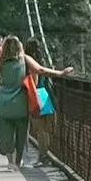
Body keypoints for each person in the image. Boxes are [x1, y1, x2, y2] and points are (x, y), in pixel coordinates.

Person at [0, 35, 73, 171]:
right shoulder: (24, 59)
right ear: (19, 46)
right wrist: (61, 73)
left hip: (3, 103)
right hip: (20, 102)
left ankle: (10, 161)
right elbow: (41, 70)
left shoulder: (1, 61)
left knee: (5, 131)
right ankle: (18, 162)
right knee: (21, 132)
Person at [24, 37, 56, 166]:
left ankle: (42, 157)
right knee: (45, 130)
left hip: (36, 96)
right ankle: (45, 156)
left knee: (40, 130)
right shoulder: (42, 61)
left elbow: (34, 82)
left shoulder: (31, 63)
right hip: (45, 95)